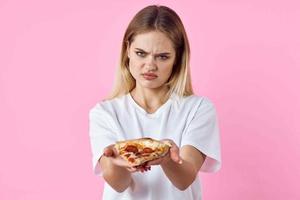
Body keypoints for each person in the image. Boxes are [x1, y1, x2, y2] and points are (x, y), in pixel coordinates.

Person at [89, 5, 221, 200]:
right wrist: (115, 161)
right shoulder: (105, 112)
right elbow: (119, 184)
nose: (150, 65)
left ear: (177, 58)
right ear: (128, 51)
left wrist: (167, 158)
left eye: (162, 57)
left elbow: (185, 179)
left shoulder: (198, 109)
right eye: (141, 53)